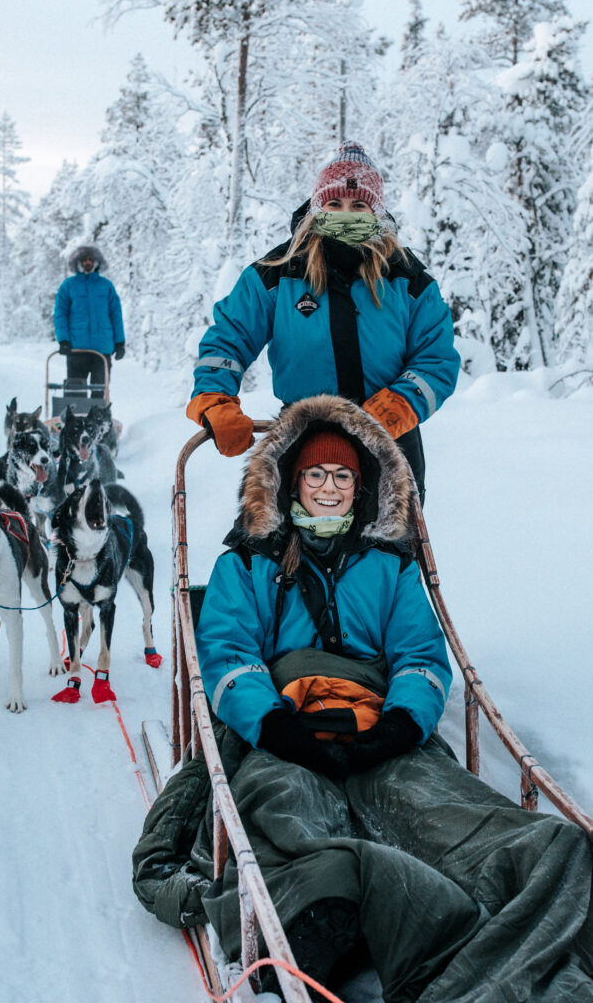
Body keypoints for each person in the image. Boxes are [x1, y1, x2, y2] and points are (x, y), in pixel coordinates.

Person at [133, 395, 593, 1002]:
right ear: (290, 482)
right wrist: (276, 728)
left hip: (382, 731)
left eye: (342, 476)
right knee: (280, 805)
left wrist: (400, 726)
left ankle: (381, 903)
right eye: (316, 475)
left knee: (498, 827)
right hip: (283, 732)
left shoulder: (390, 566)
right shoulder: (246, 563)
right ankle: (318, 907)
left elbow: (421, 656)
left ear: (361, 486)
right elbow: (228, 654)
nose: (329, 487)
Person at [186, 142, 460, 500]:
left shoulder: (408, 280)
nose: (346, 214)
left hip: (388, 437)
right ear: (317, 208)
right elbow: (229, 339)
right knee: (273, 531)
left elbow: (436, 359)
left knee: (393, 535)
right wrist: (215, 397)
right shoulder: (277, 273)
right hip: (302, 435)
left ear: (376, 212)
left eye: (358, 206)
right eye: (335, 204)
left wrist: (398, 405)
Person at [53, 245, 126, 399]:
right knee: (75, 393)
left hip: (102, 349)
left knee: (99, 392)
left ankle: (99, 414)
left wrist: (120, 342)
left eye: (91, 260)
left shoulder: (106, 286)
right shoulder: (68, 286)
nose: (88, 262)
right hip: (76, 349)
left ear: (96, 262)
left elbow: (116, 315)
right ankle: (75, 414)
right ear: (78, 263)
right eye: (84, 260)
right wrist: (63, 340)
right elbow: (60, 314)